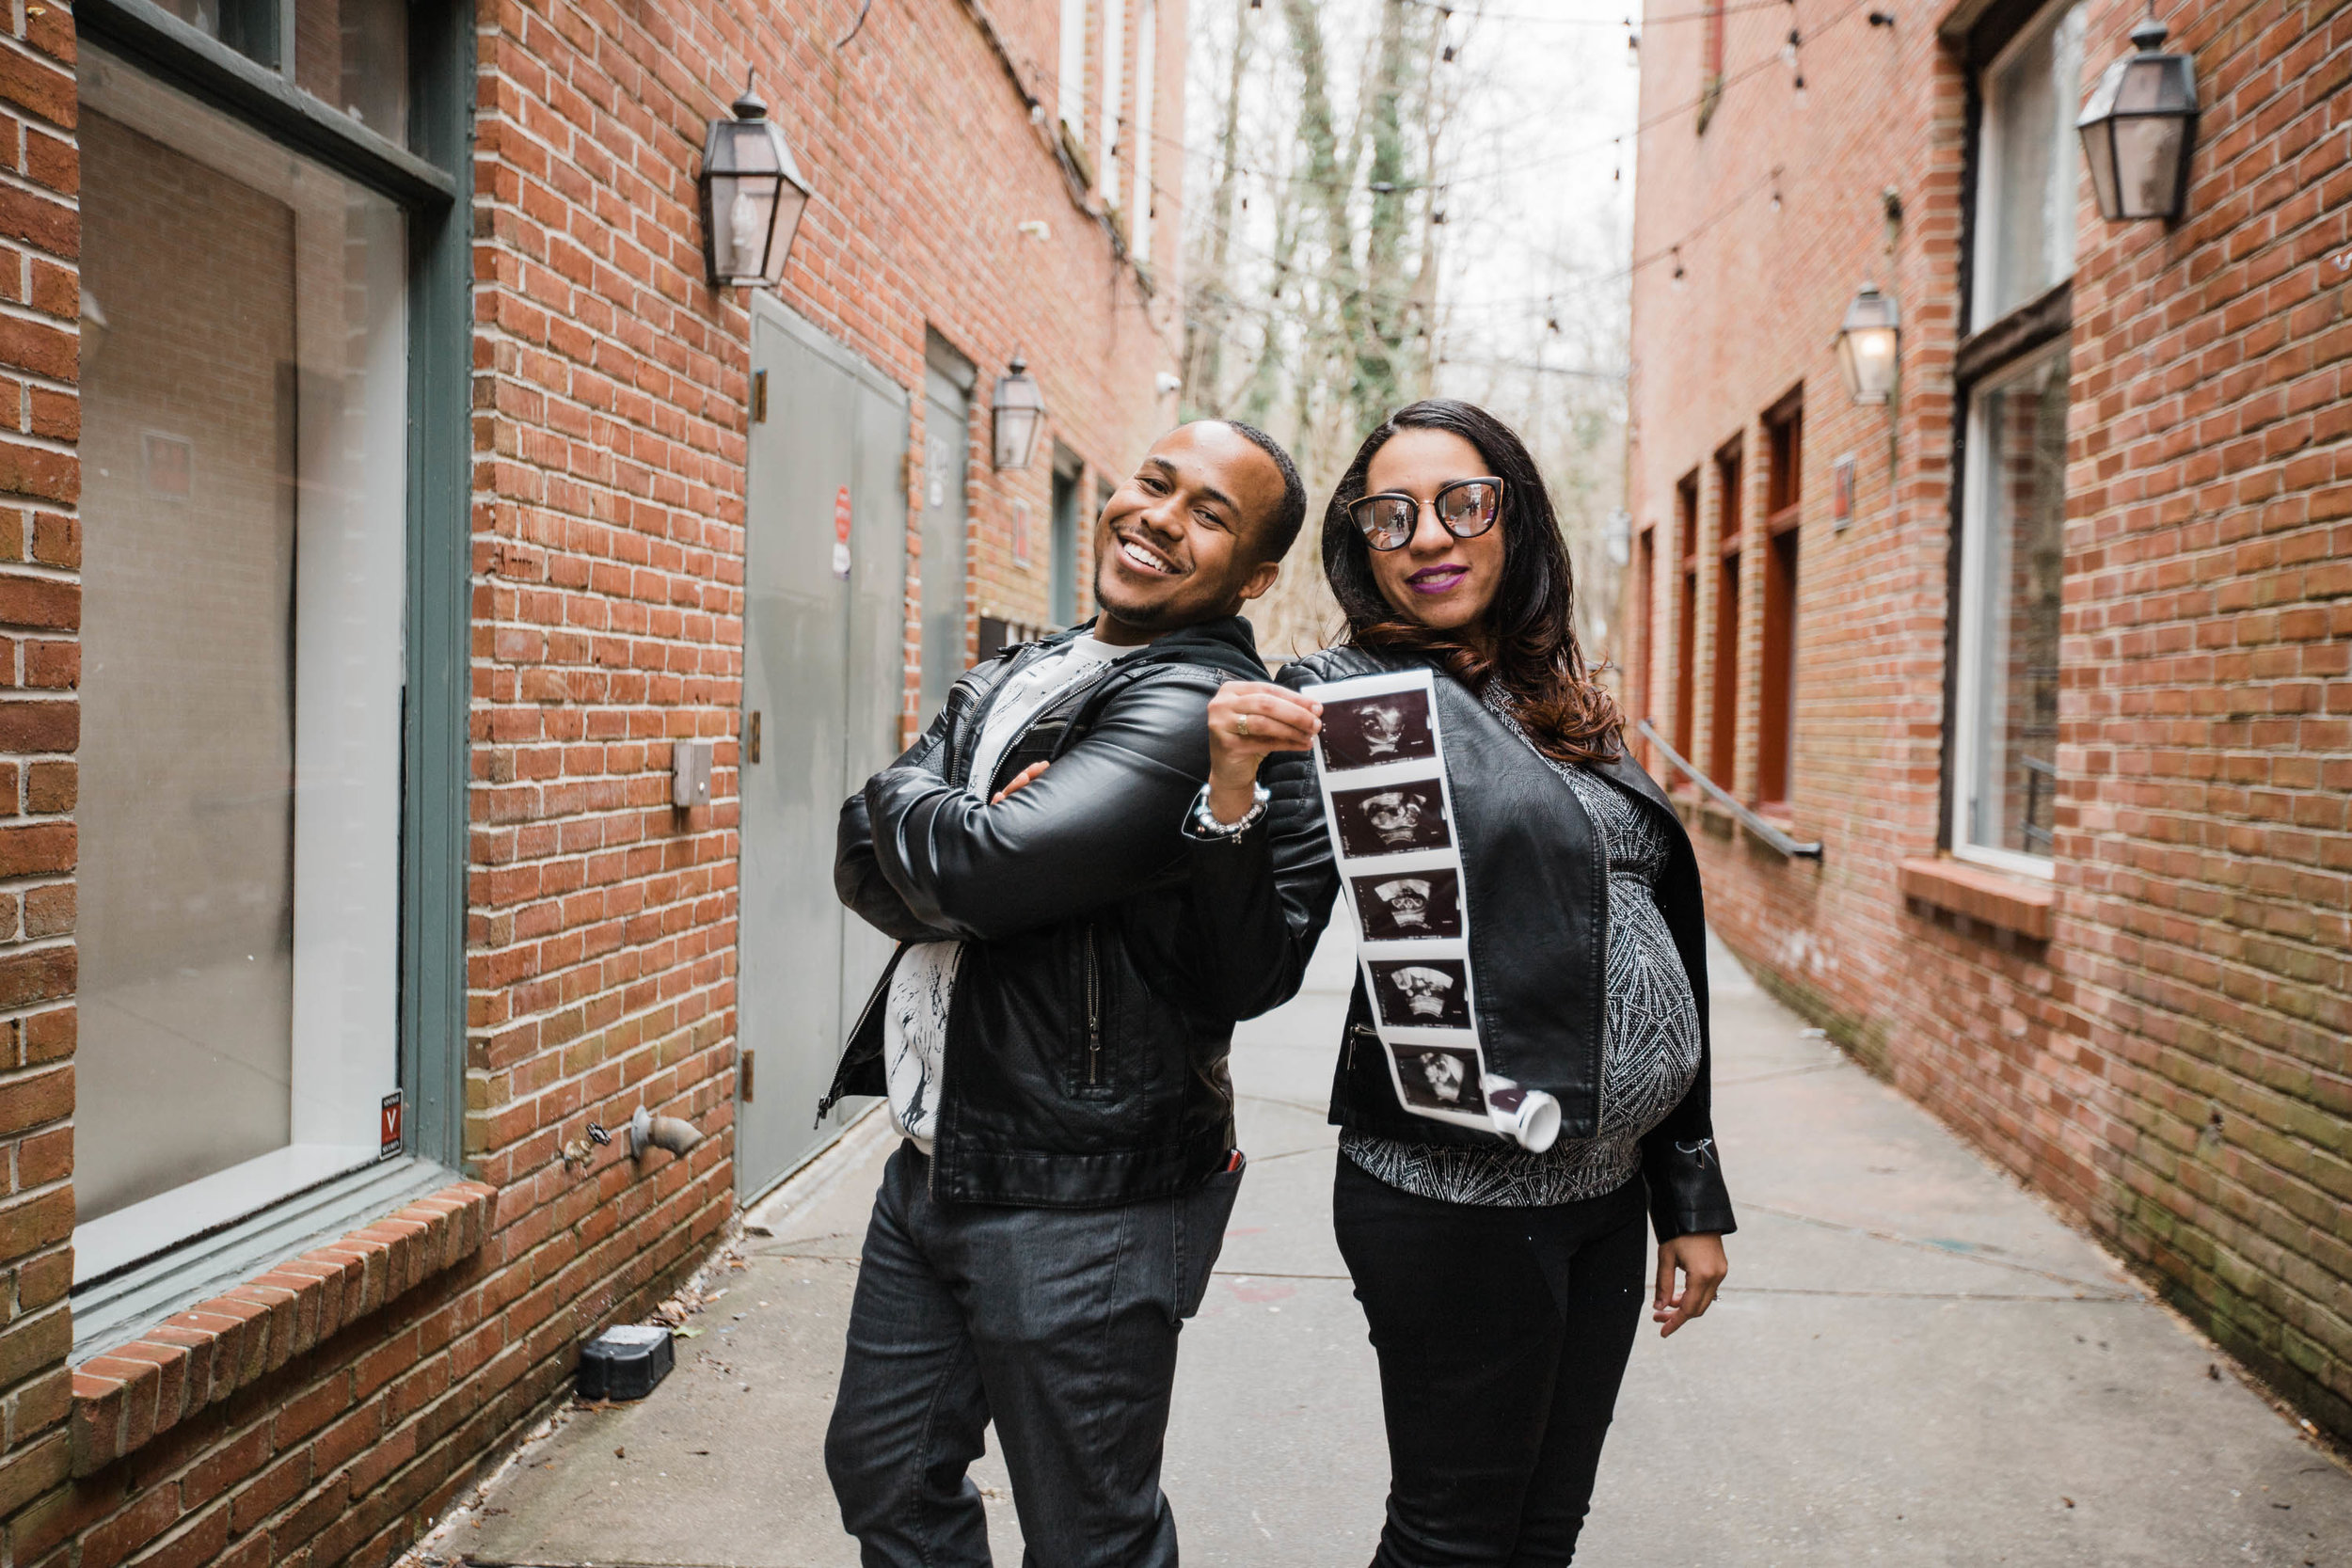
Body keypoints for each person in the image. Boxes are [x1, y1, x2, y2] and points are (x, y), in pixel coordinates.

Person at [1184, 398, 1736, 1566]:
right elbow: (1252, 961)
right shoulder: (1345, 700)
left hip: (1604, 1195)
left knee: (1545, 1526)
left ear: (1515, 518)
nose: (1428, 535)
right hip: (1454, 1201)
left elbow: (1659, 936)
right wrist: (1229, 789)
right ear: (1361, 547)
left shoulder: (1560, 698)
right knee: (1452, 1537)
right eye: (1392, 514)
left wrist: (1689, 1195)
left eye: (1461, 502)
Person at [819, 419, 1310, 1568]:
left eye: (1208, 513)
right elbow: (865, 862)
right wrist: (947, 819)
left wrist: (936, 816)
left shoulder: (1198, 697)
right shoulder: (1030, 662)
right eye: (1153, 483)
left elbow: (970, 871)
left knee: (1089, 1532)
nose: (1158, 518)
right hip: (939, 1155)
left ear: (1254, 574)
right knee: (885, 1475)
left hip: (1082, 1190)